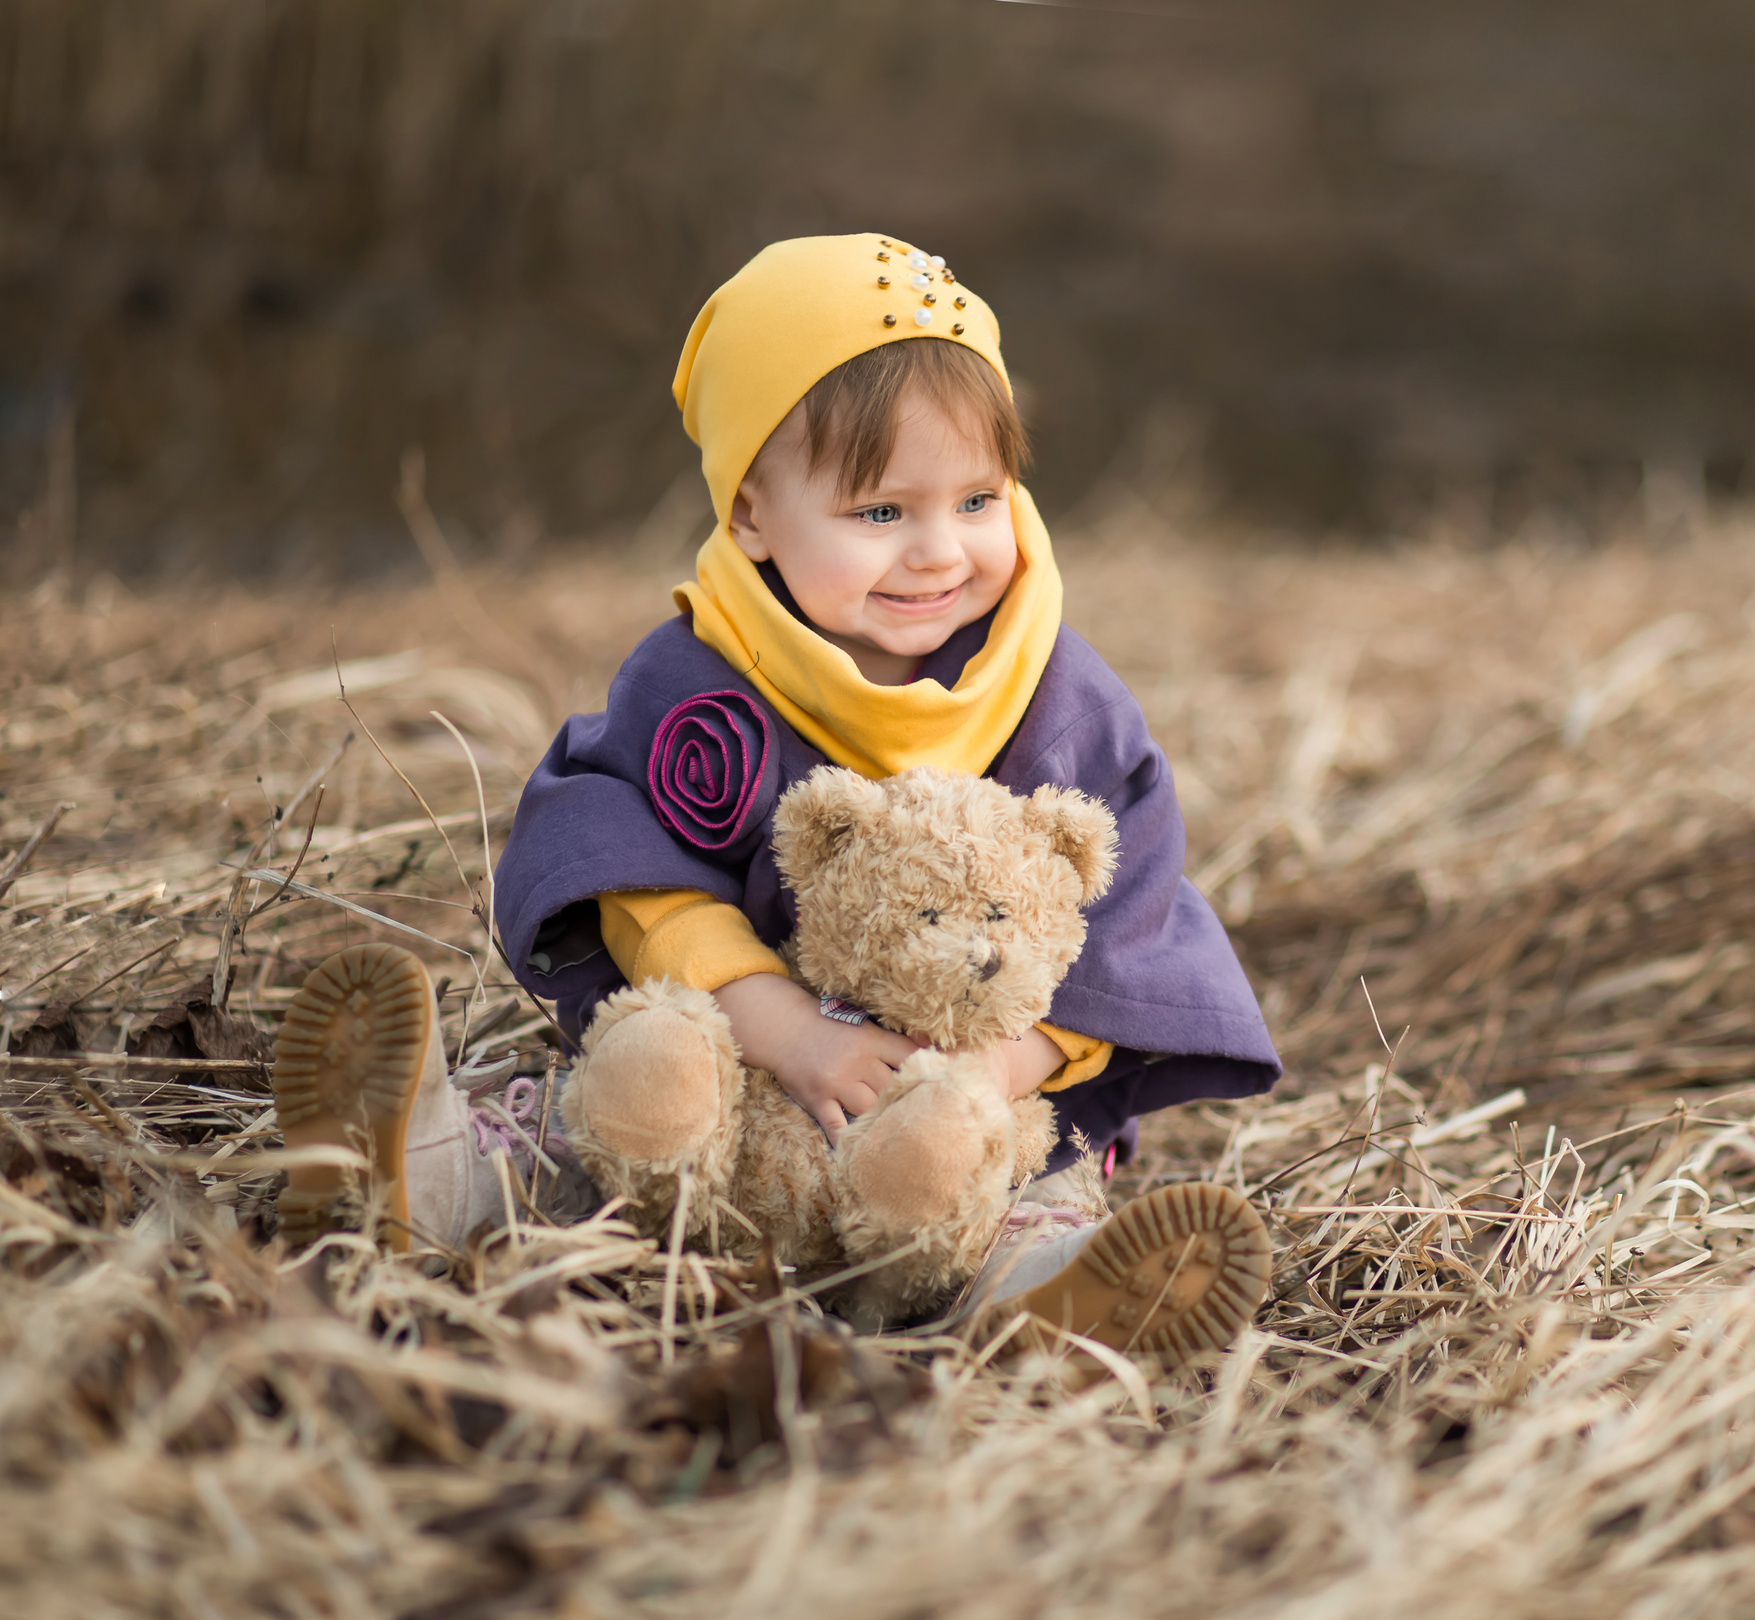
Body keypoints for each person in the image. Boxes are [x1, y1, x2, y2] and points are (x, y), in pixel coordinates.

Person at [271, 235, 1281, 1360]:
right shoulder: (701, 675)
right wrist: (787, 1032)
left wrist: (986, 1079)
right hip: (741, 1072)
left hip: (961, 1098)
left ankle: (1044, 1296)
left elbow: (1120, 917)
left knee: (1015, 1181)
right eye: (880, 514)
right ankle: (427, 1179)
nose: (940, 553)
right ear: (753, 516)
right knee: (619, 1110)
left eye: (979, 499)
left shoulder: (1065, 703)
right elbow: (638, 876)